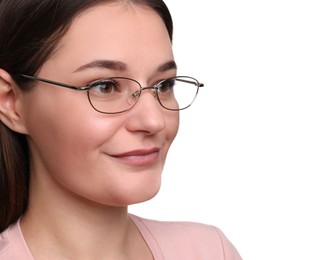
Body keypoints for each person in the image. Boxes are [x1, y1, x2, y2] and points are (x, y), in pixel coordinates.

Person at [0, 0, 242, 259]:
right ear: (11, 102)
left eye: (164, 84)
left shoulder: (209, 251)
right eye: (105, 86)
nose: (154, 121)